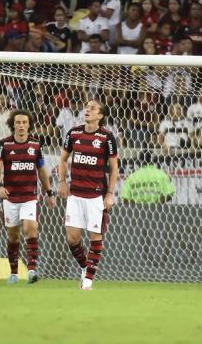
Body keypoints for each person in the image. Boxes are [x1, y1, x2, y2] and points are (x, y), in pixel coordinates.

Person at [58, 99, 119, 290]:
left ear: (100, 116)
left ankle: (88, 280)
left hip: (96, 195)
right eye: (87, 107)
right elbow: (62, 160)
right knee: (72, 238)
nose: (88, 109)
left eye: (93, 108)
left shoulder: (107, 137)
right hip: (75, 195)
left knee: (95, 237)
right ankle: (86, 267)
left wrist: (110, 194)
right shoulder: (73, 133)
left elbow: (114, 168)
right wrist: (61, 182)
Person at [0, 110, 56, 285]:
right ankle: (13, 273)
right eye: (18, 122)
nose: (21, 125)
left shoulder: (36, 145)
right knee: (13, 236)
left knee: (30, 228)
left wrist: (49, 192)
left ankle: (32, 270)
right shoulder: (3, 145)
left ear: (29, 125)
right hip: (10, 197)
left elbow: (42, 170)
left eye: (24, 122)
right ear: (13, 124)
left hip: (29, 196)